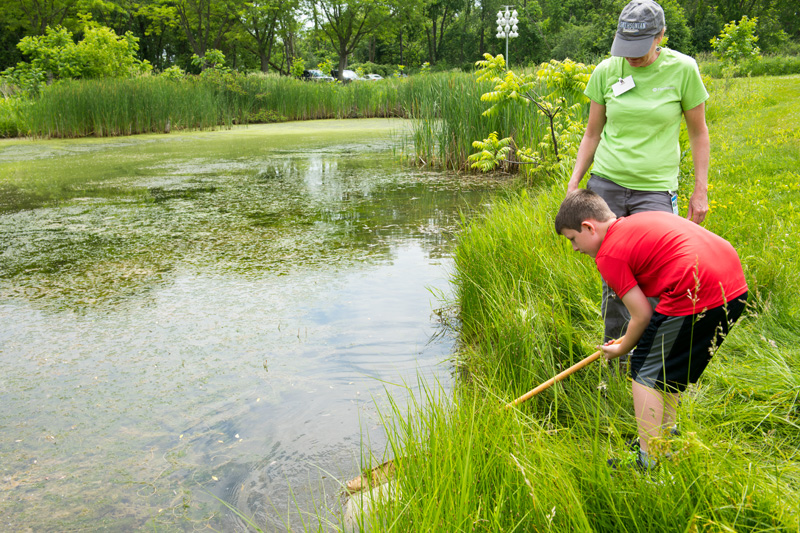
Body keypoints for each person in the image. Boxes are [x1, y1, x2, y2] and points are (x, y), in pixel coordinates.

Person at [554, 190, 748, 470]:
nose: (574, 248)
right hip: (733, 287)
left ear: (588, 227)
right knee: (666, 369)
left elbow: (641, 315)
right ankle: (663, 439)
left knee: (644, 371)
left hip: (697, 290)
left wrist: (621, 348)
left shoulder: (608, 254)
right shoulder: (637, 221)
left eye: (572, 239)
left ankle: (648, 462)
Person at [567, 0, 711, 352]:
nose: (630, 56)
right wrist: (574, 183)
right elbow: (592, 133)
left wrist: (700, 190)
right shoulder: (606, 70)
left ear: (661, 35)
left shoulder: (683, 70)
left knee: (660, 274)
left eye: (640, 47)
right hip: (606, 186)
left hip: (655, 190)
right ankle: (614, 357)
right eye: (624, 47)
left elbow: (699, 133)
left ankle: (652, 355)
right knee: (614, 277)